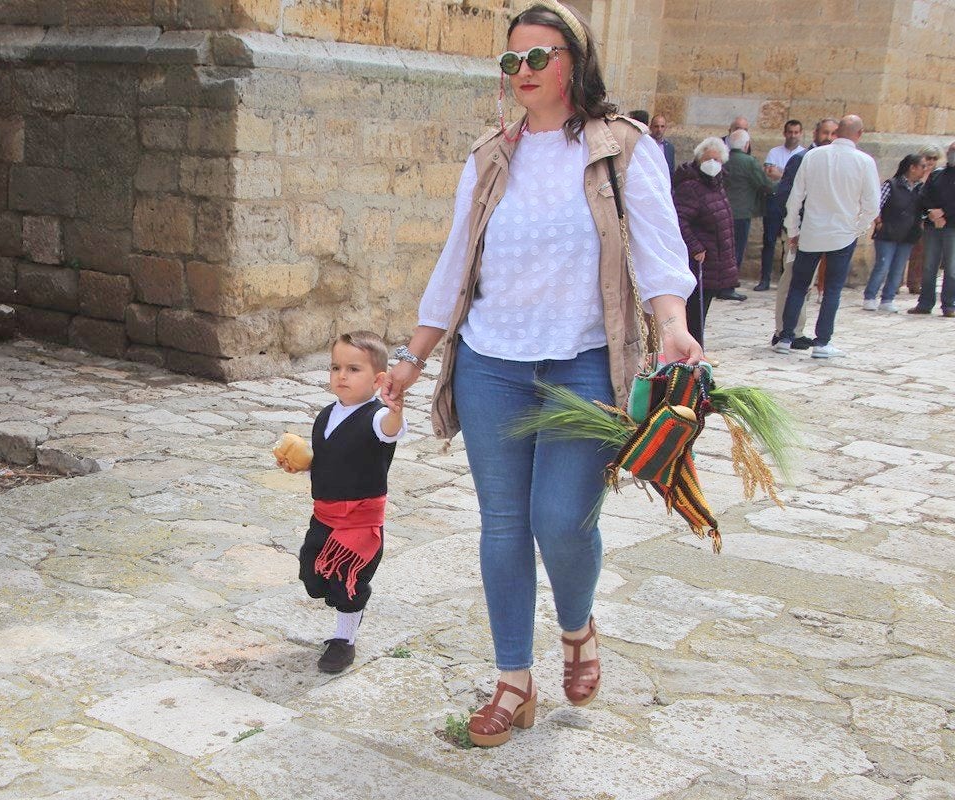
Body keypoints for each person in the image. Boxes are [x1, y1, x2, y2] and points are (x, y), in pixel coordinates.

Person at [380, 2, 700, 748]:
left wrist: (676, 322)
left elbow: (657, 248)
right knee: (502, 524)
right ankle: (512, 682)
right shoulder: (490, 153)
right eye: (510, 61)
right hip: (493, 362)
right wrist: (412, 355)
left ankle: (579, 626)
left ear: (573, 62)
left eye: (538, 57)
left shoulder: (622, 148)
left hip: (583, 362)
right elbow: (456, 262)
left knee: (561, 519)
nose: (522, 73)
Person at [280, 331, 407, 674]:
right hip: (324, 516)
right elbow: (329, 461)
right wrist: (303, 466)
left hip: (359, 524)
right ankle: (344, 609)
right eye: (336, 367)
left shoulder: (378, 417)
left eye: (353, 369)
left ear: (378, 379)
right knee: (312, 573)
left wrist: (396, 409)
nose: (341, 375)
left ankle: (344, 638)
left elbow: (391, 430)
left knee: (347, 580)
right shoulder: (325, 415)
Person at [775, 115, 880, 358]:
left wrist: (793, 229)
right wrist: (858, 227)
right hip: (842, 234)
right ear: (859, 133)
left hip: (811, 231)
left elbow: (795, 197)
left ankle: (786, 336)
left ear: (836, 133)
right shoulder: (864, 161)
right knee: (832, 289)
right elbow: (872, 205)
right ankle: (822, 342)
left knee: (798, 286)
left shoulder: (814, 156)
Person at [768, 117, 839, 349]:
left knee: (804, 283)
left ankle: (796, 329)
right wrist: (791, 230)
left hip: (819, 232)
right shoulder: (802, 159)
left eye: (833, 133)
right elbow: (787, 196)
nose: (828, 137)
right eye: (825, 132)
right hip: (798, 230)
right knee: (790, 279)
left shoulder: (834, 161)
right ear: (816, 133)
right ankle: (782, 330)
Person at [673, 137, 739, 349]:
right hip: (699, 261)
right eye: (708, 159)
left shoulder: (717, 184)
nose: (712, 163)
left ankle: (698, 350)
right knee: (694, 312)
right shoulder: (691, 187)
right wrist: (695, 246)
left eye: (717, 160)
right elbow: (680, 219)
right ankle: (693, 352)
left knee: (702, 310)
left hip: (715, 262)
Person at [863, 154, 926, 312]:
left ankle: (888, 299)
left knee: (898, 268)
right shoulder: (891, 185)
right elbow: (877, 204)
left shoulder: (921, 189)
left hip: (908, 235)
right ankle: (870, 296)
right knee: (883, 265)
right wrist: (878, 222)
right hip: (888, 233)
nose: (924, 170)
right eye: (922, 166)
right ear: (912, 167)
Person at [755, 120, 806, 291]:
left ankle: (787, 278)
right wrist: (789, 175)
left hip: (794, 203)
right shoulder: (774, 152)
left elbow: (795, 178)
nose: (793, 135)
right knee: (769, 241)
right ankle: (765, 279)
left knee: (791, 242)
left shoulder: (804, 154)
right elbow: (769, 173)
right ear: (785, 133)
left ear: (801, 133)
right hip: (774, 201)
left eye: (796, 132)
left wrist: (781, 173)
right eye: (790, 132)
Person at [722, 128, 774, 291]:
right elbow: (764, 184)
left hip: (723, 210)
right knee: (736, 250)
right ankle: (729, 286)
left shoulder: (724, 159)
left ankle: (720, 285)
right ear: (746, 145)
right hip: (741, 212)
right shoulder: (749, 162)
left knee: (723, 249)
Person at [908, 141, 955, 317]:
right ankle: (925, 302)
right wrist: (932, 213)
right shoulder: (937, 175)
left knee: (951, 267)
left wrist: (944, 213)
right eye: (951, 151)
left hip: (952, 227)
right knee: (929, 266)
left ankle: (949, 305)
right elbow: (924, 196)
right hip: (933, 225)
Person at [906, 145, 944, 293]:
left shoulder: (938, 176)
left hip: (929, 219)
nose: (931, 161)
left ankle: (916, 282)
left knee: (923, 252)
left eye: (934, 158)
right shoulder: (916, 174)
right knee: (908, 251)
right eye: (928, 158)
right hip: (912, 217)